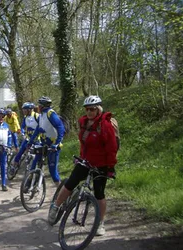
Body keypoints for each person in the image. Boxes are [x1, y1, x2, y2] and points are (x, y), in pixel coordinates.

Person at [48, 95, 117, 236]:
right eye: (87, 109)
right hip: (86, 161)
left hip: (101, 164)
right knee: (70, 183)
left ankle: (100, 223)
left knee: (99, 194)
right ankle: (56, 206)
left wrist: (110, 167)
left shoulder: (105, 126)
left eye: (92, 109)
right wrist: (81, 158)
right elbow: (84, 144)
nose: (89, 112)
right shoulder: (85, 123)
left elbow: (111, 148)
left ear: (98, 109)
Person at [28, 96, 65, 185]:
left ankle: (60, 192)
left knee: (53, 172)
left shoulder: (50, 114)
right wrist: (30, 141)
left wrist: (57, 143)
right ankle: (29, 182)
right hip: (44, 144)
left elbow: (61, 128)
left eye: (39, 105)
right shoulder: (41, 115)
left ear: (42, 106)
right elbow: (38, 129)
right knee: (35, 161)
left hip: (53, 146)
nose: (37, 107)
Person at [9, 102, 39, 173]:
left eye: (25, 109)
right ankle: (14, 166)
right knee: (20, 151)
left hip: (37, 138)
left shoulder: (36, 116)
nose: (23, 111)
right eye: (23, 109)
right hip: (28, 137)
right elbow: (22, 126)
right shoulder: (25, 118)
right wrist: (22, 132)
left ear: (30, 110)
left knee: (37, 153)